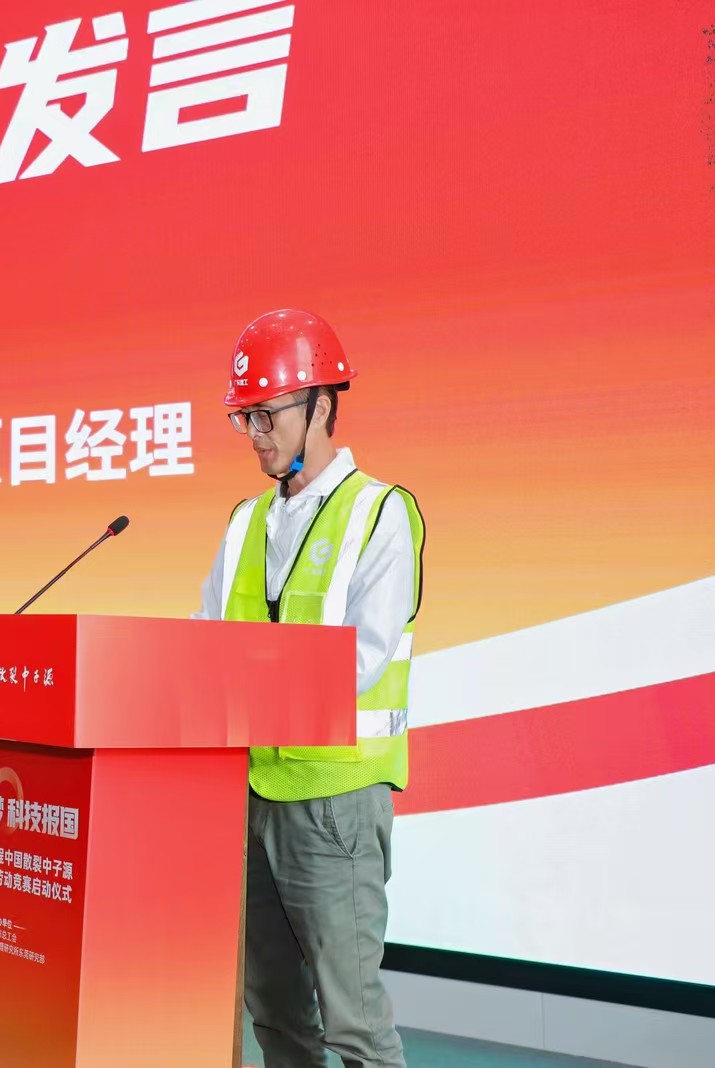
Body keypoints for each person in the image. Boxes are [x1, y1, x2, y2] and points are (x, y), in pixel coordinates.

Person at [196, 309, 425, 1068]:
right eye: (245, 417)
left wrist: (244, 680)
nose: (255, 433)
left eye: (267, 413)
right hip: (249, 798)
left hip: (335, 803)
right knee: (276, 1015)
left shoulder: (380, 514)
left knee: (355, 1027)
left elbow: (360, 659)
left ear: (322, 405)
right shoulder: (244, 524)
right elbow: (202, 645)